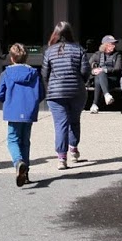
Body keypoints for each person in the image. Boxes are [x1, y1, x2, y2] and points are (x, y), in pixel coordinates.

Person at [40, 21, 90, 169]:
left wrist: (52, 85)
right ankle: (73, 149)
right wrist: (80, 82)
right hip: (76, 91)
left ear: (55, 34)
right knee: (74, 121)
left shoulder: (49, 51)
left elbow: (45, 73)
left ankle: (62, 158)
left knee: (60, 124)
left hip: (56, 93)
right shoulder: (79, 49)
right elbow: (85, 71)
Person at [0, 43, 42, 186]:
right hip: (28, 111)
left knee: (13, 140)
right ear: (26, 57)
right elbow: (41, 93)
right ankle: (25, 174)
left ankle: (18, 162)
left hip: (13, 110)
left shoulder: (6, 73)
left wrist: (7, 100)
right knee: (25, 141)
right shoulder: (34, 73)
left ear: (11, 58)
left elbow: (0, 93)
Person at [87, 35, 122, 114]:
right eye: (111, 44)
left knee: (100, 75)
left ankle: (95, 104)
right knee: (99, 76)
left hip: (112, 79)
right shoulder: (97, 54)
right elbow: (88, 67)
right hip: (100, 79)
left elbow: (118, 68)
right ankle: (106, 95)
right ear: (105, 45)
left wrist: (104, 70)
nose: (114, 46)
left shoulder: (117, 55)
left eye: (114, 44)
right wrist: (93, 71)